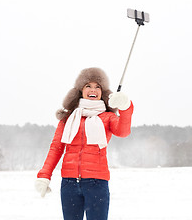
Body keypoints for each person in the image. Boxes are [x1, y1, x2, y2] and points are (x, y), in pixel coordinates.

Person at [35, 67, 133, 220]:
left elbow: (123, 131)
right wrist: (44, 175)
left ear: (102, 92)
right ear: (81, 90)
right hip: (69, 184)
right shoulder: (68, 118)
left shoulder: (107, 117)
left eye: (97, 86)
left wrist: (125, 107)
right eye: (88, 85)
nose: (93, 89)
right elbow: (56, 148)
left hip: (97, 184)